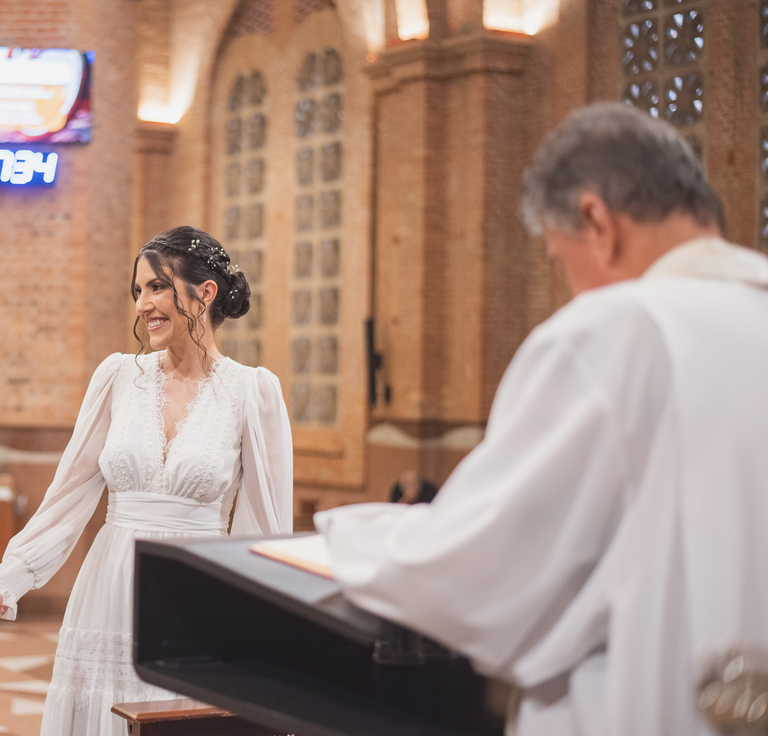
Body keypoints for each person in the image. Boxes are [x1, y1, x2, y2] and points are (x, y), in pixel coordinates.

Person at [316, 104, 768, 736]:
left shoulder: (618, 330)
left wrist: (346, 537)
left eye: (560, 261)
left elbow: (481, 572)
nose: (571, 288)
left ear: (596, 222)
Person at [0, 225, 293, 736]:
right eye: (138, 291)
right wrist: (4, 580)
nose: (144, 304)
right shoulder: (119, 377)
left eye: (158, 287)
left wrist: (262, 637)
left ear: (205, 293)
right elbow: (68, 495)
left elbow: (263, 529)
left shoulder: (252, 391)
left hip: (196, 599)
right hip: (110, 584)